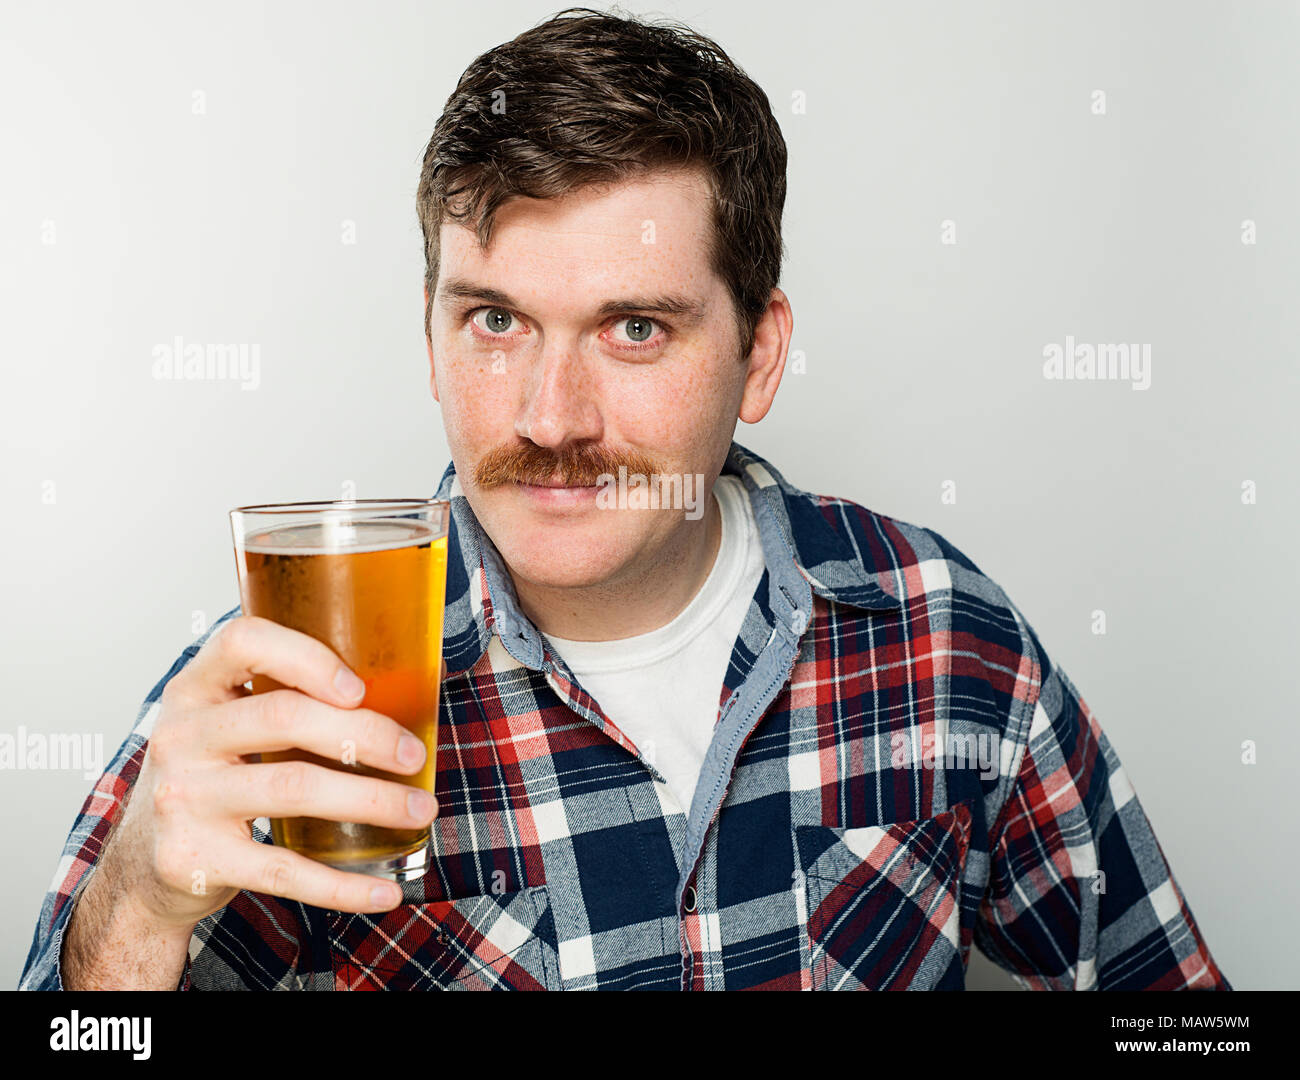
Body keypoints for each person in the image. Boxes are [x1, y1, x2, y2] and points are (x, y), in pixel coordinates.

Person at [22, 7, 1228, 991]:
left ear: (759, 355)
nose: (550, 419)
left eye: (634, 328)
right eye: (496, 320)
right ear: (431, 336)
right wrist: (136, 908)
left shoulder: (942, 636)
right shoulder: (284, 692)